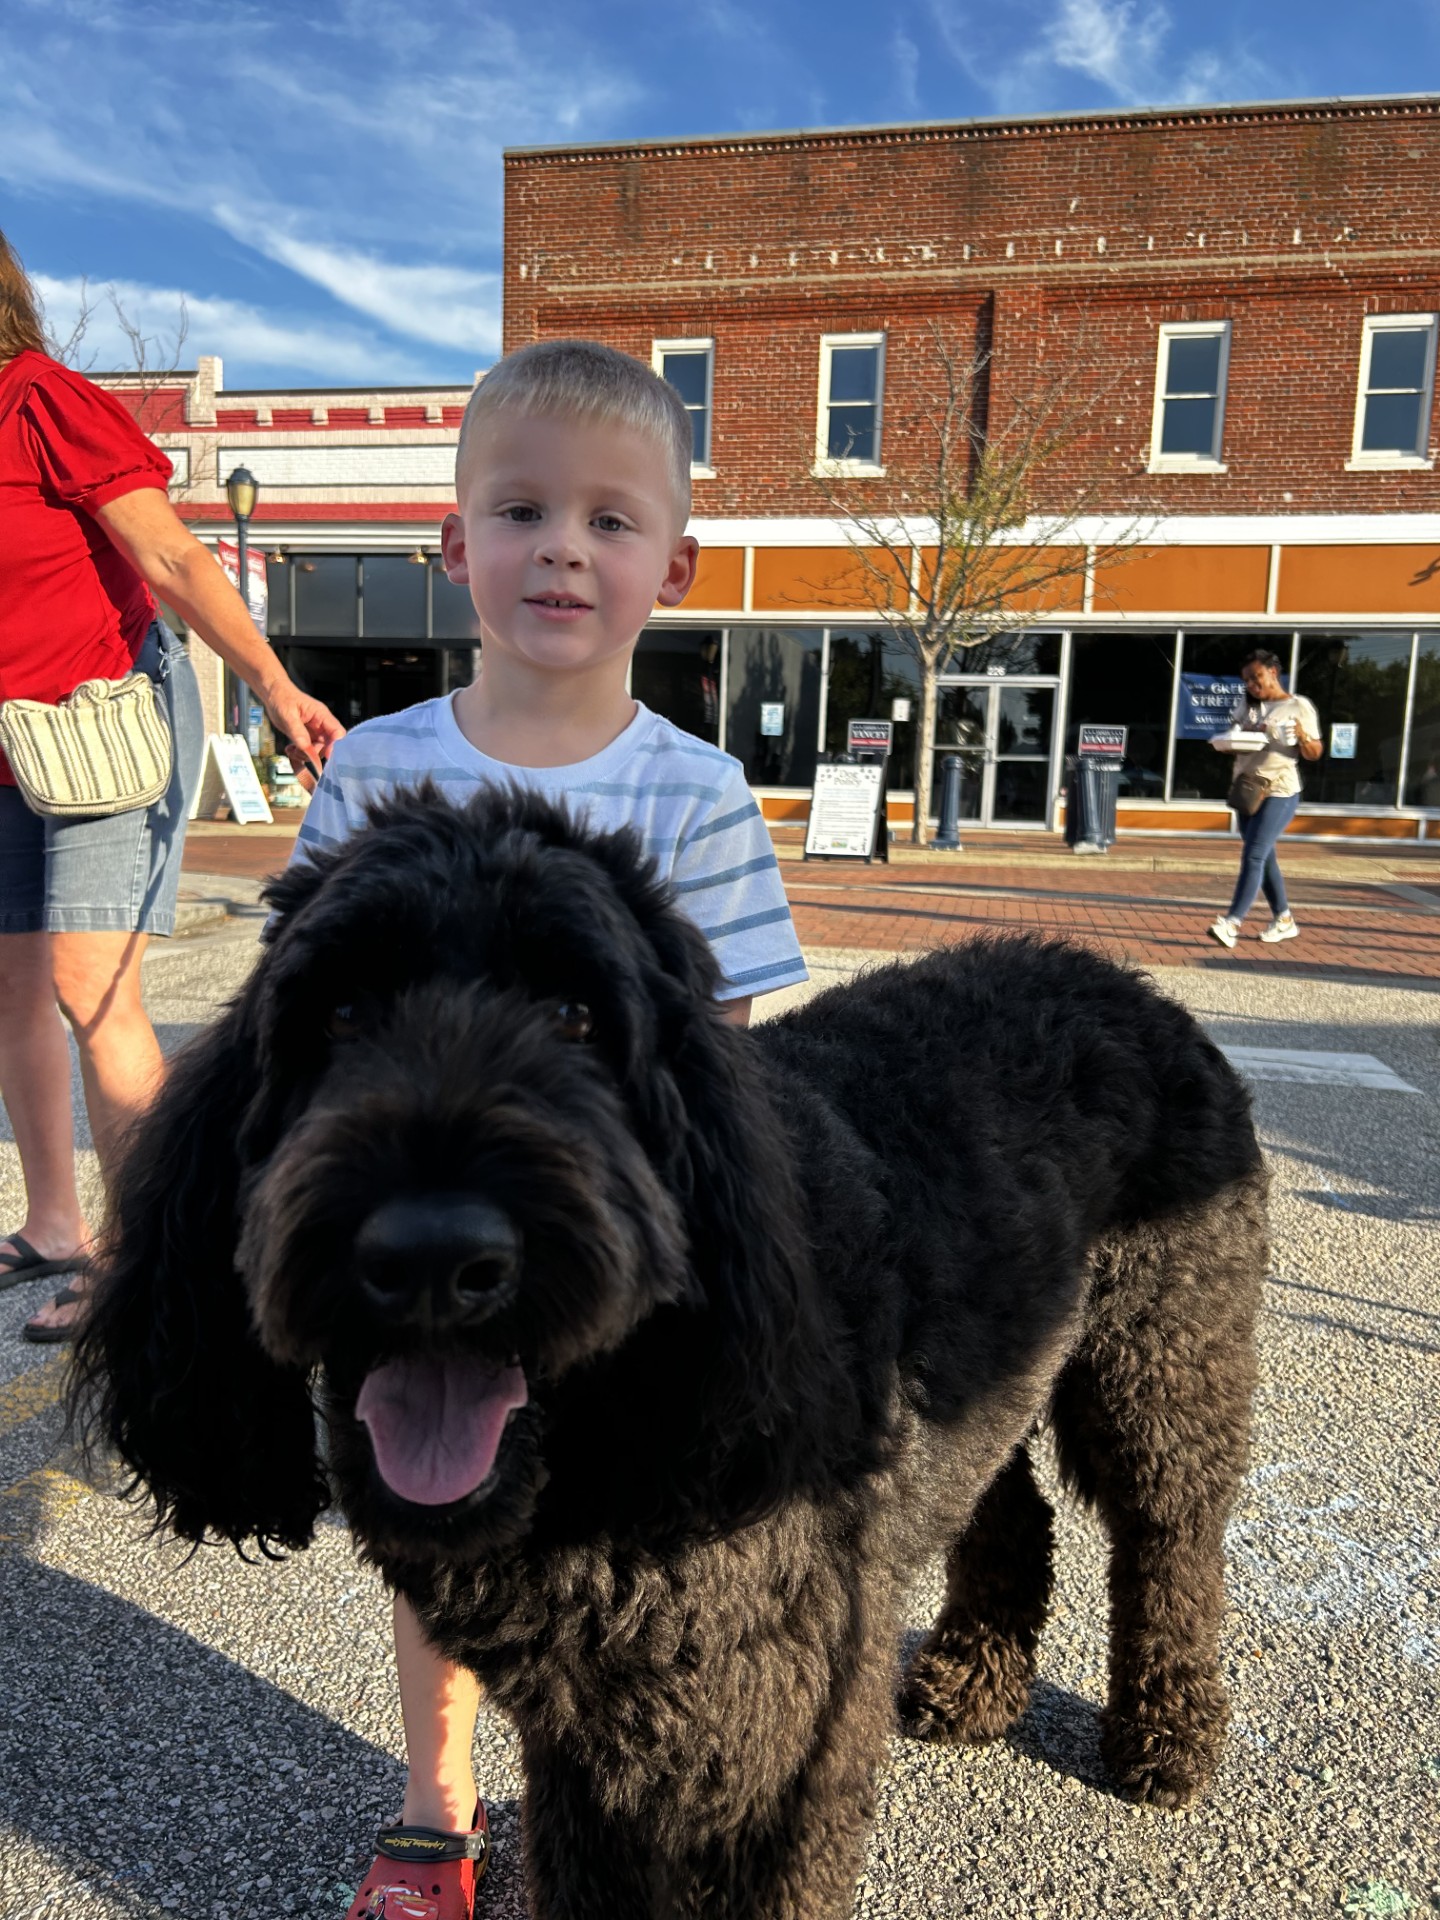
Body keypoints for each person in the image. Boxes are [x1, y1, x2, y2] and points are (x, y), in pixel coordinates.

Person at [288, 339, 809, 1920]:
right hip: (404, 1226)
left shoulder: (700, 791)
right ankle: (437, 1807)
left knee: (617, 1554)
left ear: (676, 563)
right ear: (455, 547)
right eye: (518, 511)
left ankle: (580, 1793)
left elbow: (727, 1071)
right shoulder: (376, 769)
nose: (561, 549)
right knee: (429, 1501)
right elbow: (307, 1022)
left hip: (597, 1258)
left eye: (607, 519)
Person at [0, 231, 345, 1338]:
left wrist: (274, 687)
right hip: (10, 738)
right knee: (10, 988)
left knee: (87, 983)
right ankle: (54, 1224)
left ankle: (149, 1263)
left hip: (107, 717)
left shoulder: (41, 399)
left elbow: (175, 560)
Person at [1207, 648, 1322, 948]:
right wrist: (1246, 731)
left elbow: (1315, 753)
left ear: (1273, 672)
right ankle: (1284, 919)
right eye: (1246, 680)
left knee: (1254, 854)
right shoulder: (1248, 704)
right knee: (1264, 857)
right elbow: (1234, 740)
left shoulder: (1298, 706)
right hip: (1248, 789)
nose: (1251, 685)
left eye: (1255, 677)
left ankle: (1232, 922)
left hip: (1280, 790)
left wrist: (1303, 736)